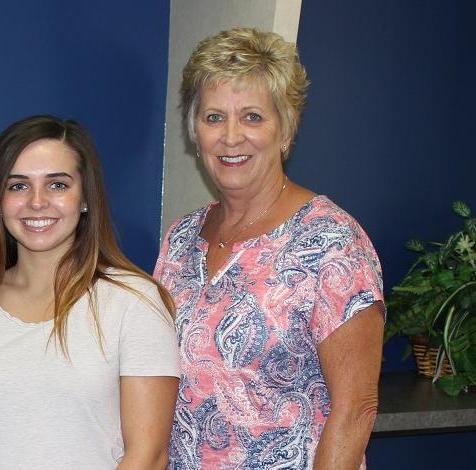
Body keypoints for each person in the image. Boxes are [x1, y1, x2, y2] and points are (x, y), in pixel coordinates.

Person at [154, 27, 385, 469]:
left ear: (285, 129)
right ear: (194, 132)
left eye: (253, 117)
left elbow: (355, 409)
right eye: (214, 117)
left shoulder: (330, 241)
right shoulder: (181, 239)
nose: (231, 136)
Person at [0, 115, 181, 469]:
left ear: (85, 198)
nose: (37, 202)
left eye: (57, 185)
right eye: (18, 186)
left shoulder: (135, 303)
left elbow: (147, 456)